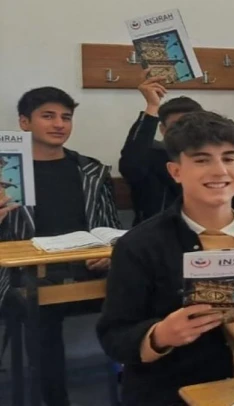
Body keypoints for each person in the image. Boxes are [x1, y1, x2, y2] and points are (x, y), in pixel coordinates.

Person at [97, 111, 234, 405]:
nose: (219, 171)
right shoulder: (139, 246)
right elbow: (114, 336)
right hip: (184, 394)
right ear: (175, 171)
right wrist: (159, 335)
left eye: (229, 158)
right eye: (201, 160)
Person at [0, 87, 121, 406]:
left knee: (144, 294)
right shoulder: (5, 173)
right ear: (24, 122)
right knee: (40, 311)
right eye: (48, 116)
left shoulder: (91, 171)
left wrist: (110, 256)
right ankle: (55, 401)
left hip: (91, 270)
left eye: (66, 117)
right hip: (24, 277)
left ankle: (139, 390)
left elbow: (111, 229)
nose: (59, 124)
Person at [119, 71, 203, 225]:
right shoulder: (151, 155)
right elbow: (131, 166)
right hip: (155, 233)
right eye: (176, 126)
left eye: (191, 125)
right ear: (163, 130)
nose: (184, 131)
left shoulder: (214, 159)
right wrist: (152, 106)